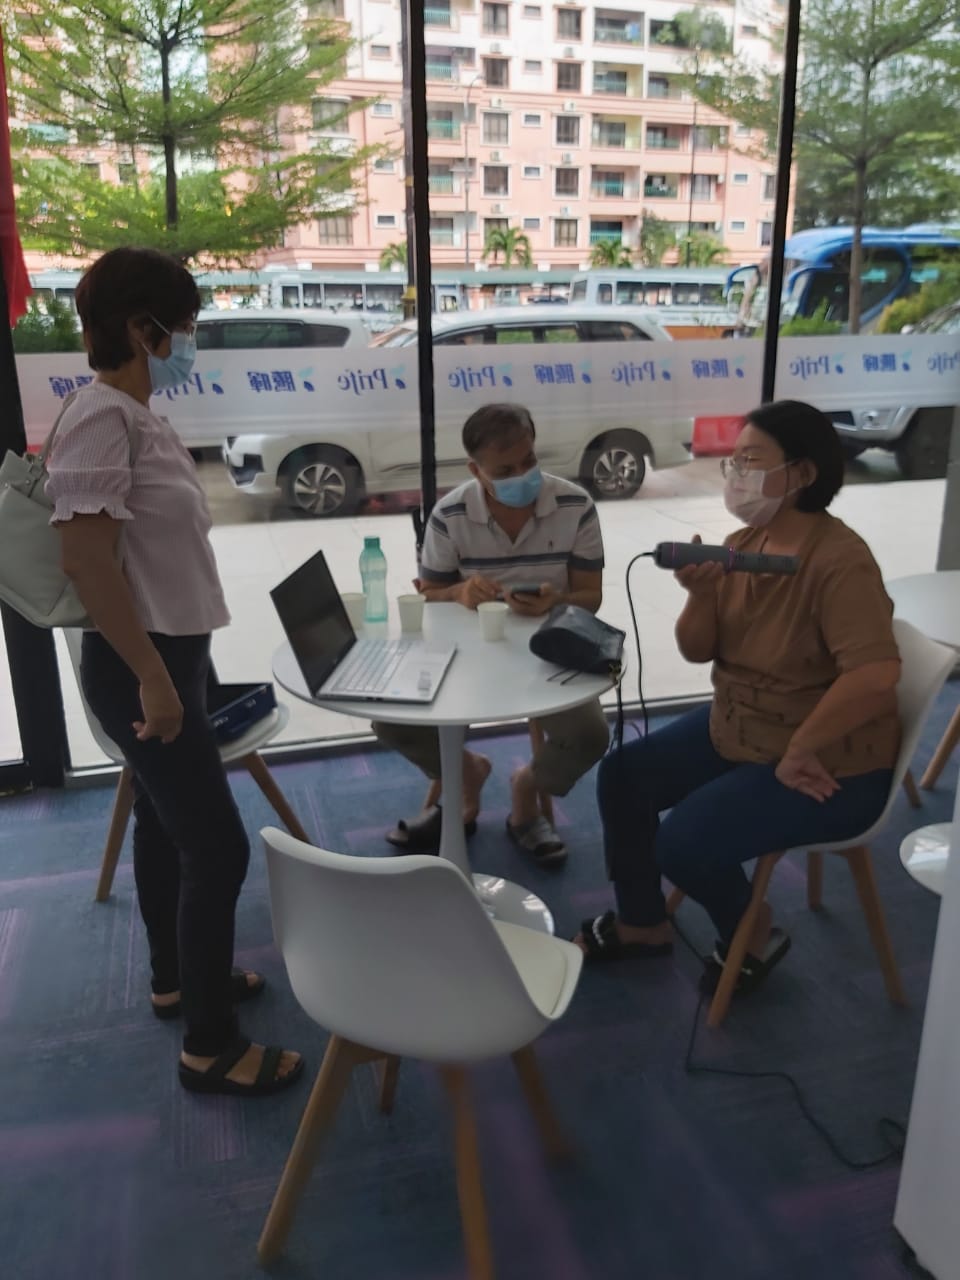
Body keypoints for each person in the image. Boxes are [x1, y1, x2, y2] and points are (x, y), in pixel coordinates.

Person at [46, 247, 303, 1097]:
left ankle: (177, 981)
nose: (189, 342)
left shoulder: (136, 414)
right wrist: (154, 678)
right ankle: (210, 1047)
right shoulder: (100, 415)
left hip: (170, 656)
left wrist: (175, 668)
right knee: (217, 849)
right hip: (141, 666)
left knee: (166, 829)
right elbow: (86, 561)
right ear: (140, 328)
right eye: (183, 327)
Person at [577, 401, 901, 994]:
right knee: (623, 777)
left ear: (802, 473)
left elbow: (876, 675)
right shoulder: (744, 544)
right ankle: (643, 923)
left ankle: (753, 929)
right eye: (735, 461)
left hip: (827, 762)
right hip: (743, 728)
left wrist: (802, 748)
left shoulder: (840, 563)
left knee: (686, 842)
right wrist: (700, 595)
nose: (736, 474)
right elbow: (698, 650)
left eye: (751, 461)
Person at [373, 402, 610, 865]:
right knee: (392, 722)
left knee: (589, 735)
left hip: (550, 648)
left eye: (528, 461)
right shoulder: (450, 513)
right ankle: (468, 773)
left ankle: (525, 790)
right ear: (475, 470)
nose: (522, 476)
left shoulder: (574, 505)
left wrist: (556, 601)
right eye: (504, 470)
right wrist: (459, 591)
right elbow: (430, 594)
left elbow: (591, 596)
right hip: (467, 652)